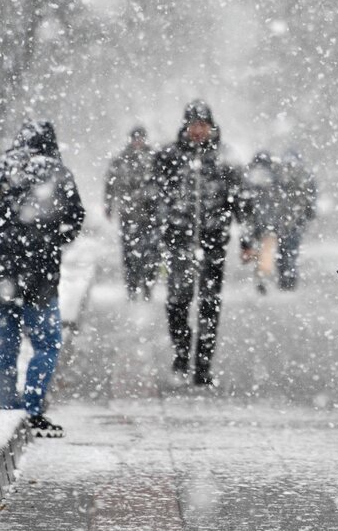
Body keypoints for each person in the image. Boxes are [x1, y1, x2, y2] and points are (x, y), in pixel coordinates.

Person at [0, 120, 85, 437]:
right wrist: (45, 239)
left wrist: (1, 242)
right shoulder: (56, 172)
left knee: (6, 345)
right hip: (40, 277)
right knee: (46, 344)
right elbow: (74, 222)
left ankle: (8, 410)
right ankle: (33, 410)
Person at [154, 100, 247, 386]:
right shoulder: (169, 157)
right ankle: (182, 354)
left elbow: (241, 201)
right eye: (194, 125)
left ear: (211, 126)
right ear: (186, 126)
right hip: (178, 242)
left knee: (209, 304)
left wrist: (247, 240)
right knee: (177, 302)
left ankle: (203, 365)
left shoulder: (225, 159)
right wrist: (160, 224)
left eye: (202, 125)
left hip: (213, 243)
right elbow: (153, 194)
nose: (198, 131)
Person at [104, 126, 161, 299]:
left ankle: (148, 284)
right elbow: (110, 184)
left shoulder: (154, 158)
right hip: (128, 214)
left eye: (140, 138)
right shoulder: (121, 160)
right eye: (135, 138)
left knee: (151, 253)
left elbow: (163, 183)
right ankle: (132, 285)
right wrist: (108, 205)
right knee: (130, 253)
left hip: (150, 214)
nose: (138, 141)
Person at [273, 149, 317, 290]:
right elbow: (311, 195)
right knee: (291, 248)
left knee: (284, 248)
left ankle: (286, 278)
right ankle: (289, 278)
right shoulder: (304, 175)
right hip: (295, 217)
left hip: (285, 218)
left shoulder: (279, 175)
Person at [240, 150, 281, 294]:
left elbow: (243, 201)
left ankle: (259, 275)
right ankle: (262, 275)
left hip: (253, 221)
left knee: (254, 249)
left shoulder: (248, 178)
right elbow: (278, 202)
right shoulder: (274, 178)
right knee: (266, 252)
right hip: (269, 222)